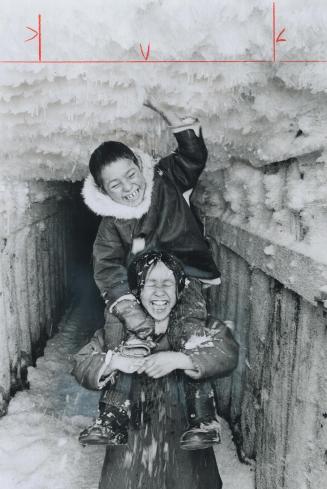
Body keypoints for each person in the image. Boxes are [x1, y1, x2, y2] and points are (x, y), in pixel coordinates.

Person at [81, 101, 221, 448]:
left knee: (189, 330)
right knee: (119, 331)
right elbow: (107, 267)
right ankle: (112, 415)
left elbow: (193, 158)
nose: (129, 187)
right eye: (115, 185)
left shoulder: (167, 179)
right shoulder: (111, 223)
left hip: (184, 274)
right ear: (103, 191)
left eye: (131, 174)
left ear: (140, 167)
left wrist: (180, 126)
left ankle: (203, 418)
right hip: (139, 289)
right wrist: (130, 311)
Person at [72, 251, 239, 489]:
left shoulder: (197, 327)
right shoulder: (119, 332)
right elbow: (81, 361)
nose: (159, 291)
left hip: (184, 442)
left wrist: (181, 359)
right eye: (150, 283)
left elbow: (226, 350)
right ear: (137, 292)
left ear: (179, 290)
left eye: (167, 283)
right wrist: (114, 361)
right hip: (132, 441)